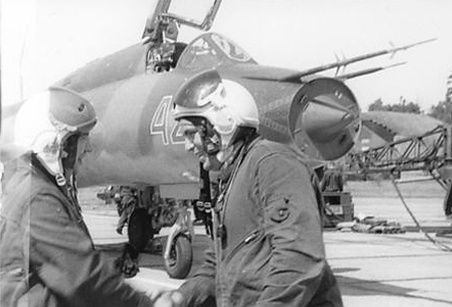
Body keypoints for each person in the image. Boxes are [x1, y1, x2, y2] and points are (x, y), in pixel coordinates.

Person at [172, 70, 344, 307]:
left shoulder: (274, 164)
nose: (187, 146)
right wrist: (179, 298)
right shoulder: (232, 176)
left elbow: (298, 259)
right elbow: (219, 264)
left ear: (222, 124)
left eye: (191, 134)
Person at [0, 87, 178, 307]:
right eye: (83, 138)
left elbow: (59, 264)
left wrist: (109, 263)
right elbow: (83, 279)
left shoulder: (31, 184)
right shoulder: (36, 198)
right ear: (57, 143)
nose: (89, 148)